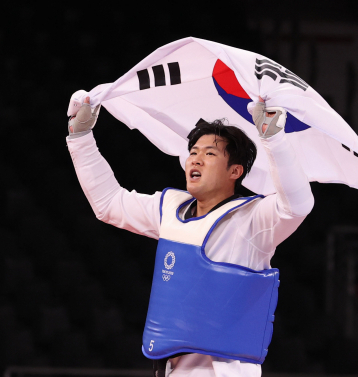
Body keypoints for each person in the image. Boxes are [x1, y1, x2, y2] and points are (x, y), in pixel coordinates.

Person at [66, 96, 314, 377]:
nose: (195, 158)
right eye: (193, 151)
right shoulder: (169, 208)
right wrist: (81, 137)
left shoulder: (253, 219)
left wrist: (274, 139)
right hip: (172, 368)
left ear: (235, 171)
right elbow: (109, 203)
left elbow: (298, 205)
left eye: (209, 154)